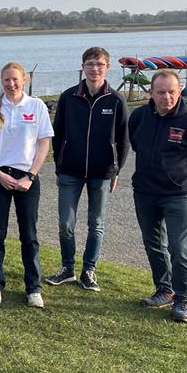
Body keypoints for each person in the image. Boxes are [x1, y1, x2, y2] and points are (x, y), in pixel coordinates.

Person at [129, 70, 187, 323]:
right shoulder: (139, 117)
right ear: (151, 93)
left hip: (178, 194)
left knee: (178, 247)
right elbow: (136, 144)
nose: (166, 97)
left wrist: (184, 176)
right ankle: (164, 290)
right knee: (153, 243)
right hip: (145, 191)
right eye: (161, 92)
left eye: (171, 92)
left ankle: (184, 299)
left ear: (179, 92)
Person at [47, 47, 128, 291]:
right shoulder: (69, 97)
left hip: (101, 172)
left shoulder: (115, 100)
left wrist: (117, 170)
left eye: (99, 64)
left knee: (96, 223)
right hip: (70, 171)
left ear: (107, 67)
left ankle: (89, 270)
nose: (95, 69)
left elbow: (123, 139)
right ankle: (67, 268)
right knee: (66, 224)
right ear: (83, 66)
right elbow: (58, 133)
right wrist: (59, 167)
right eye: (90, 64)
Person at [0, 62, 53, 308]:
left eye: (15, 80)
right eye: (6, 80)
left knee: (29, 234)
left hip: (27, 179)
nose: (11, 84)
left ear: (24, 80)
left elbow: (43, 144)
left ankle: (33, 287)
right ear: (2, 81)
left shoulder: (36, 106)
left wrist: (30, 176)